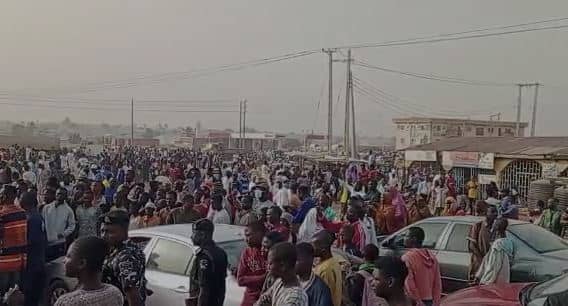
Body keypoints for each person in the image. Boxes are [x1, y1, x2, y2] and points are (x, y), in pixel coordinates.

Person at [55, 236, 124, 306]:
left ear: (81, 263)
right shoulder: (115, 293)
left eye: (68, 256)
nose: (64, 260)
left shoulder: (66, 302)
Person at [101, 210, 147, 306]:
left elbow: (132, 295)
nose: (104, 236)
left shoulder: (126, 256)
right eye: (103, 231)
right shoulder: (119, 249)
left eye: (110, 232)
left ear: (124, 231)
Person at [187, 218, 228, 306]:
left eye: (194, 233)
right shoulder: (221, 252)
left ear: (203, 235)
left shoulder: (204, 257)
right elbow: (222, 287)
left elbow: (204, 289)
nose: (191, 236)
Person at [254, 242, 308, 306]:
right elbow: (259, 302)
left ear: (282, 266)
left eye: (270, 264)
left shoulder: (295, 298)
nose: (268, 267)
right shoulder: (279, 283)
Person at [402, 227, 442, 306]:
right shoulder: (432, 257)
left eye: (406, 236)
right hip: (430, 300)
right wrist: (436, 302)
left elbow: (410, 284)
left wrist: (418, 301)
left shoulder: (407, 257)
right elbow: (437, 283)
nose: (404, 238)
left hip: (415, 301)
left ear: (414, 239)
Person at [20, 191, 47, 306]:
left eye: (21, 198)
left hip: (32, 263)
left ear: (27, 202)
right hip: (38, 260)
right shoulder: (36, 216)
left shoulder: (32, 218)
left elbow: (32, 241)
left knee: (30, 295)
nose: (19, 199)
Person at [0, 185, 27, 296]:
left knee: (3, 292)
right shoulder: (22, 212)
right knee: (15, 291)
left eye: (1, 194)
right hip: (18, 259)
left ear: (5, 196)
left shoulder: (2, 214)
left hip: (4, 261)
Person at [475, 217, 515, 285]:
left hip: (495, 280)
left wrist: (485, 280)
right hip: (505, 277)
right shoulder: (509, 242)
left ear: (496, 228)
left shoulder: (498, 245)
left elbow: (493, 266)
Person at [237, 221, 267, 306]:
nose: (246, 239)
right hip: (249, 300)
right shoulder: (246, 252)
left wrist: (251, 279)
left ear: (260, 234)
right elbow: (240, 280)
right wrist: (262, 277)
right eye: (245, 236)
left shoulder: (271, 252)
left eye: (248, 235)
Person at [312, 230, 342, 306]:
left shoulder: (325, 269)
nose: (311, 249)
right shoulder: (333, 262)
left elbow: (324, 297)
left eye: (314, 246)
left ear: (323, 251)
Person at [467, 205, 498, 281]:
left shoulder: (496, 228)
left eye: (496, 212)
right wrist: (482, 260)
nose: (495, 214)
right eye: (492, 212)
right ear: (486, 213)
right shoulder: (477, 226)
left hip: (491, 265)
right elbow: (472, 246)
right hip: (479, 264)